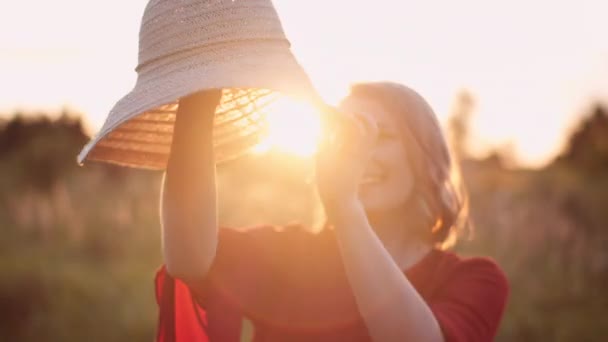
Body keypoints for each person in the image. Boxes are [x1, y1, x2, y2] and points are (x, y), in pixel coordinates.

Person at [156, 82, 509, 342]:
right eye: (348, 137)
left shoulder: (474, 280)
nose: (360, 153)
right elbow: (188, 257)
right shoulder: (290, 256)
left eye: (380, 137)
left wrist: (346, 209)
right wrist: (197, 106)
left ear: (425, 158)